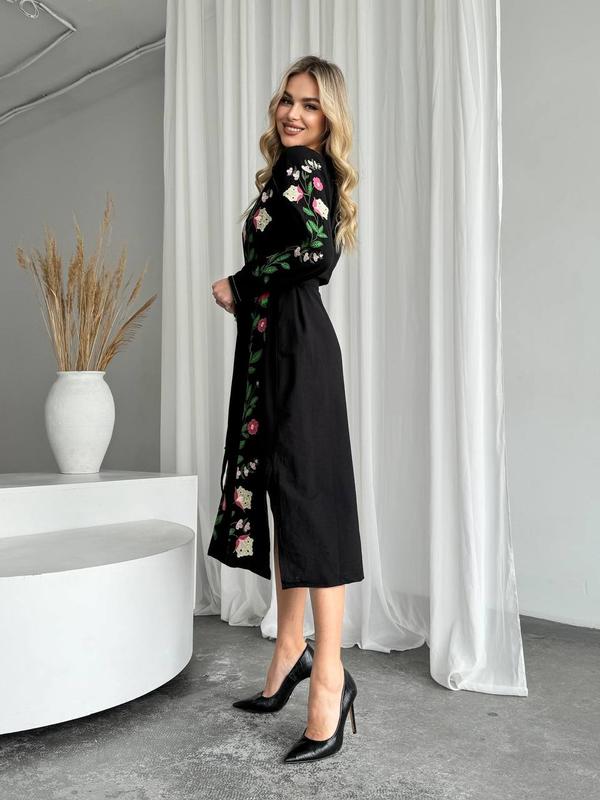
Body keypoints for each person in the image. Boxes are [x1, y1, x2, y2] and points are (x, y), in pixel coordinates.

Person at [209, 55, 364, 763]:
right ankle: (288, 651)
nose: (294, 114)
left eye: (310, 105)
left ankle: (329, 679)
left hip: (298, 351)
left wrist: (242, 283)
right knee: (286, 496)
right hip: (278, 350)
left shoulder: (304, 169)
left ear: (329, 118)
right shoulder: (287, 172)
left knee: (310, 507)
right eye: (287, 101)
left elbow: (316, 254)